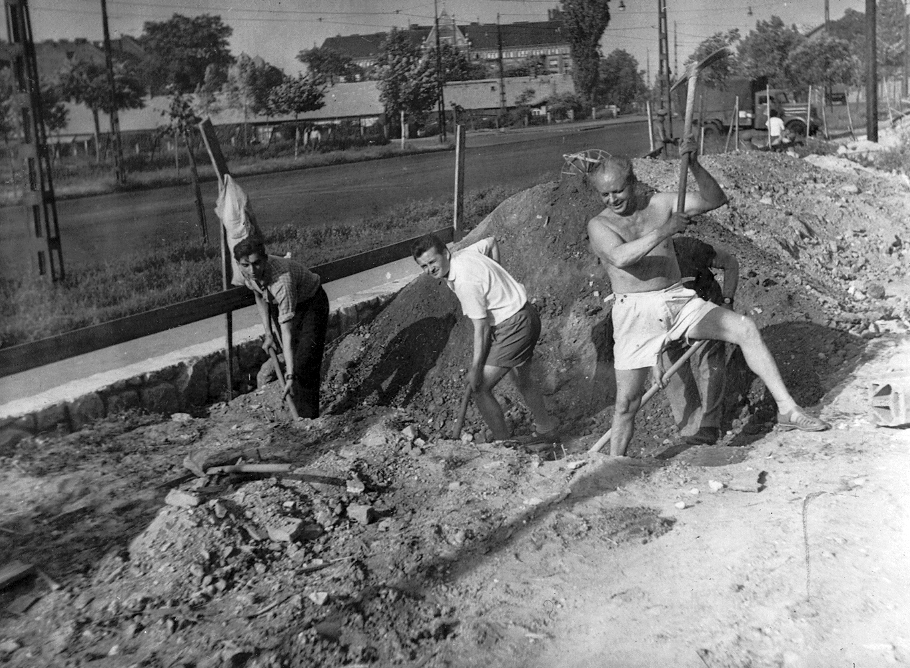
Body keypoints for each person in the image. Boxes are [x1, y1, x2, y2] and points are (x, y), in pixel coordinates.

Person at [586, 149, 830, 457]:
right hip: (634, 310)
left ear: (633, 182)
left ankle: (787, 409)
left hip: (676, 298)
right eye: (605, 194)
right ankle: (613, 466)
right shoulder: (599, 225)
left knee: (744, 328)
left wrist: (697, 166)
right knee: (626, 404)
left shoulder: (661, 203)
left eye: (618, 190)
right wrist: (665, 230)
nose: (612, 199)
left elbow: (715, 200)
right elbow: (621, 257)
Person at [411, 234, 558, 443]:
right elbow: (491, 242)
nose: (430, 269)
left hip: (514, 326)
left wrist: (476, 368)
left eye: (432, 262)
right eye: (424, 266)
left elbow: (481, 329)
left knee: (480, 388)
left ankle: (501, 444)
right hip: (526, 314)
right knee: (523, 379)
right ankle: (547, 429)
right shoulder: (464, 254)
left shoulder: (464, 281)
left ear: (445, 253)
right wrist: (498, 279)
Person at [233, 236, 329, 419]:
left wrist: (290, 375)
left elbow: (287, 333)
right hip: (283, 304)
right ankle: (301, 412)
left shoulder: (281, 281)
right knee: (296, 361)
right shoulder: (245, 273)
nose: (252, 270)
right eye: (245, 265)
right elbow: (259, 296)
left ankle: (309, 419)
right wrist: (268, 334)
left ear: (265, 259)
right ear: (239, 264)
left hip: (312, 304)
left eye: (256, 263)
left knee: (304, 362)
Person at [663, 237, 739, 446]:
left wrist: (727, 302)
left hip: (705, 306)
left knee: (709, 359)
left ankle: (708, 426)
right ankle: (689, 427)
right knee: (666, 363)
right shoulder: (644, 263)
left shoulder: (690, 248)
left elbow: (731, 263)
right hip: (669, 316)